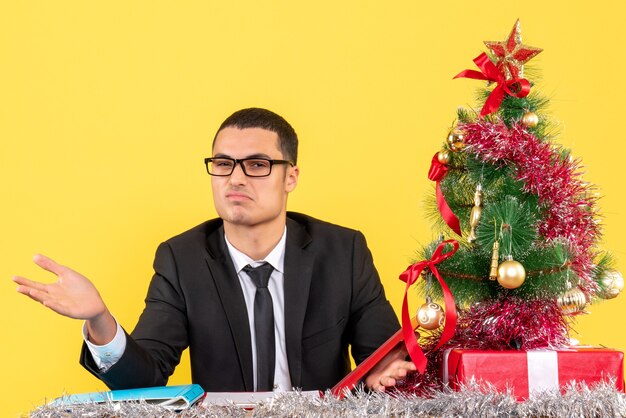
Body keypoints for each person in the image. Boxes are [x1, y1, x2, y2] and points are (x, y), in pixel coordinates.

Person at [13, 107, 415, 393]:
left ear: (290, 177)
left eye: (257, 165)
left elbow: (380, 355)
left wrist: (386, 372)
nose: (235, 178)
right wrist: (100, 319)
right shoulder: (181, 259)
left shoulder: (342, 251)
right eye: (223, 164)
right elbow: (144, 379)